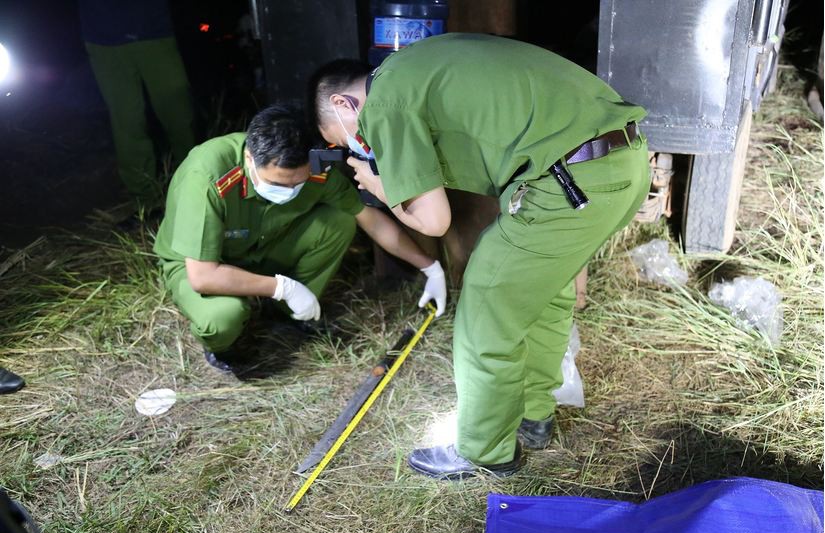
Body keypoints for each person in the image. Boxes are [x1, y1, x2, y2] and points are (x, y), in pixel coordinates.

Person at [310, 33, 649, 479]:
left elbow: (434, 221)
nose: (354, 146)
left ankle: (486, 451)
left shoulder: (385, 102)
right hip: (621, 163)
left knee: (485, 314)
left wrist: (378, 186)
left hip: (568, 181)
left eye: (342, 140)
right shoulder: (420, 64)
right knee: (546, 297)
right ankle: (533, 416)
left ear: (344, 103)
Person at [153, 105, 446, 372]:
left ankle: (287, 316)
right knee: (222, 318)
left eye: (298, 182)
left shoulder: (315, 169)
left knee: (339, 222)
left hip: (265, 244)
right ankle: (224, 348)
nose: (290, 190)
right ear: (249, 158)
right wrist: (282, 286)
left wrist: (429, 266)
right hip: (200, 261)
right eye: (278, 183)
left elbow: (372, 222)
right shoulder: (207, 176)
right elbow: (203, 276)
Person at [78, 0, 196, 210]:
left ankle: (198, 184)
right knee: (126, 120)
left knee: (178, 110)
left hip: (153, 29)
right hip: (102, 35)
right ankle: (145, 202)